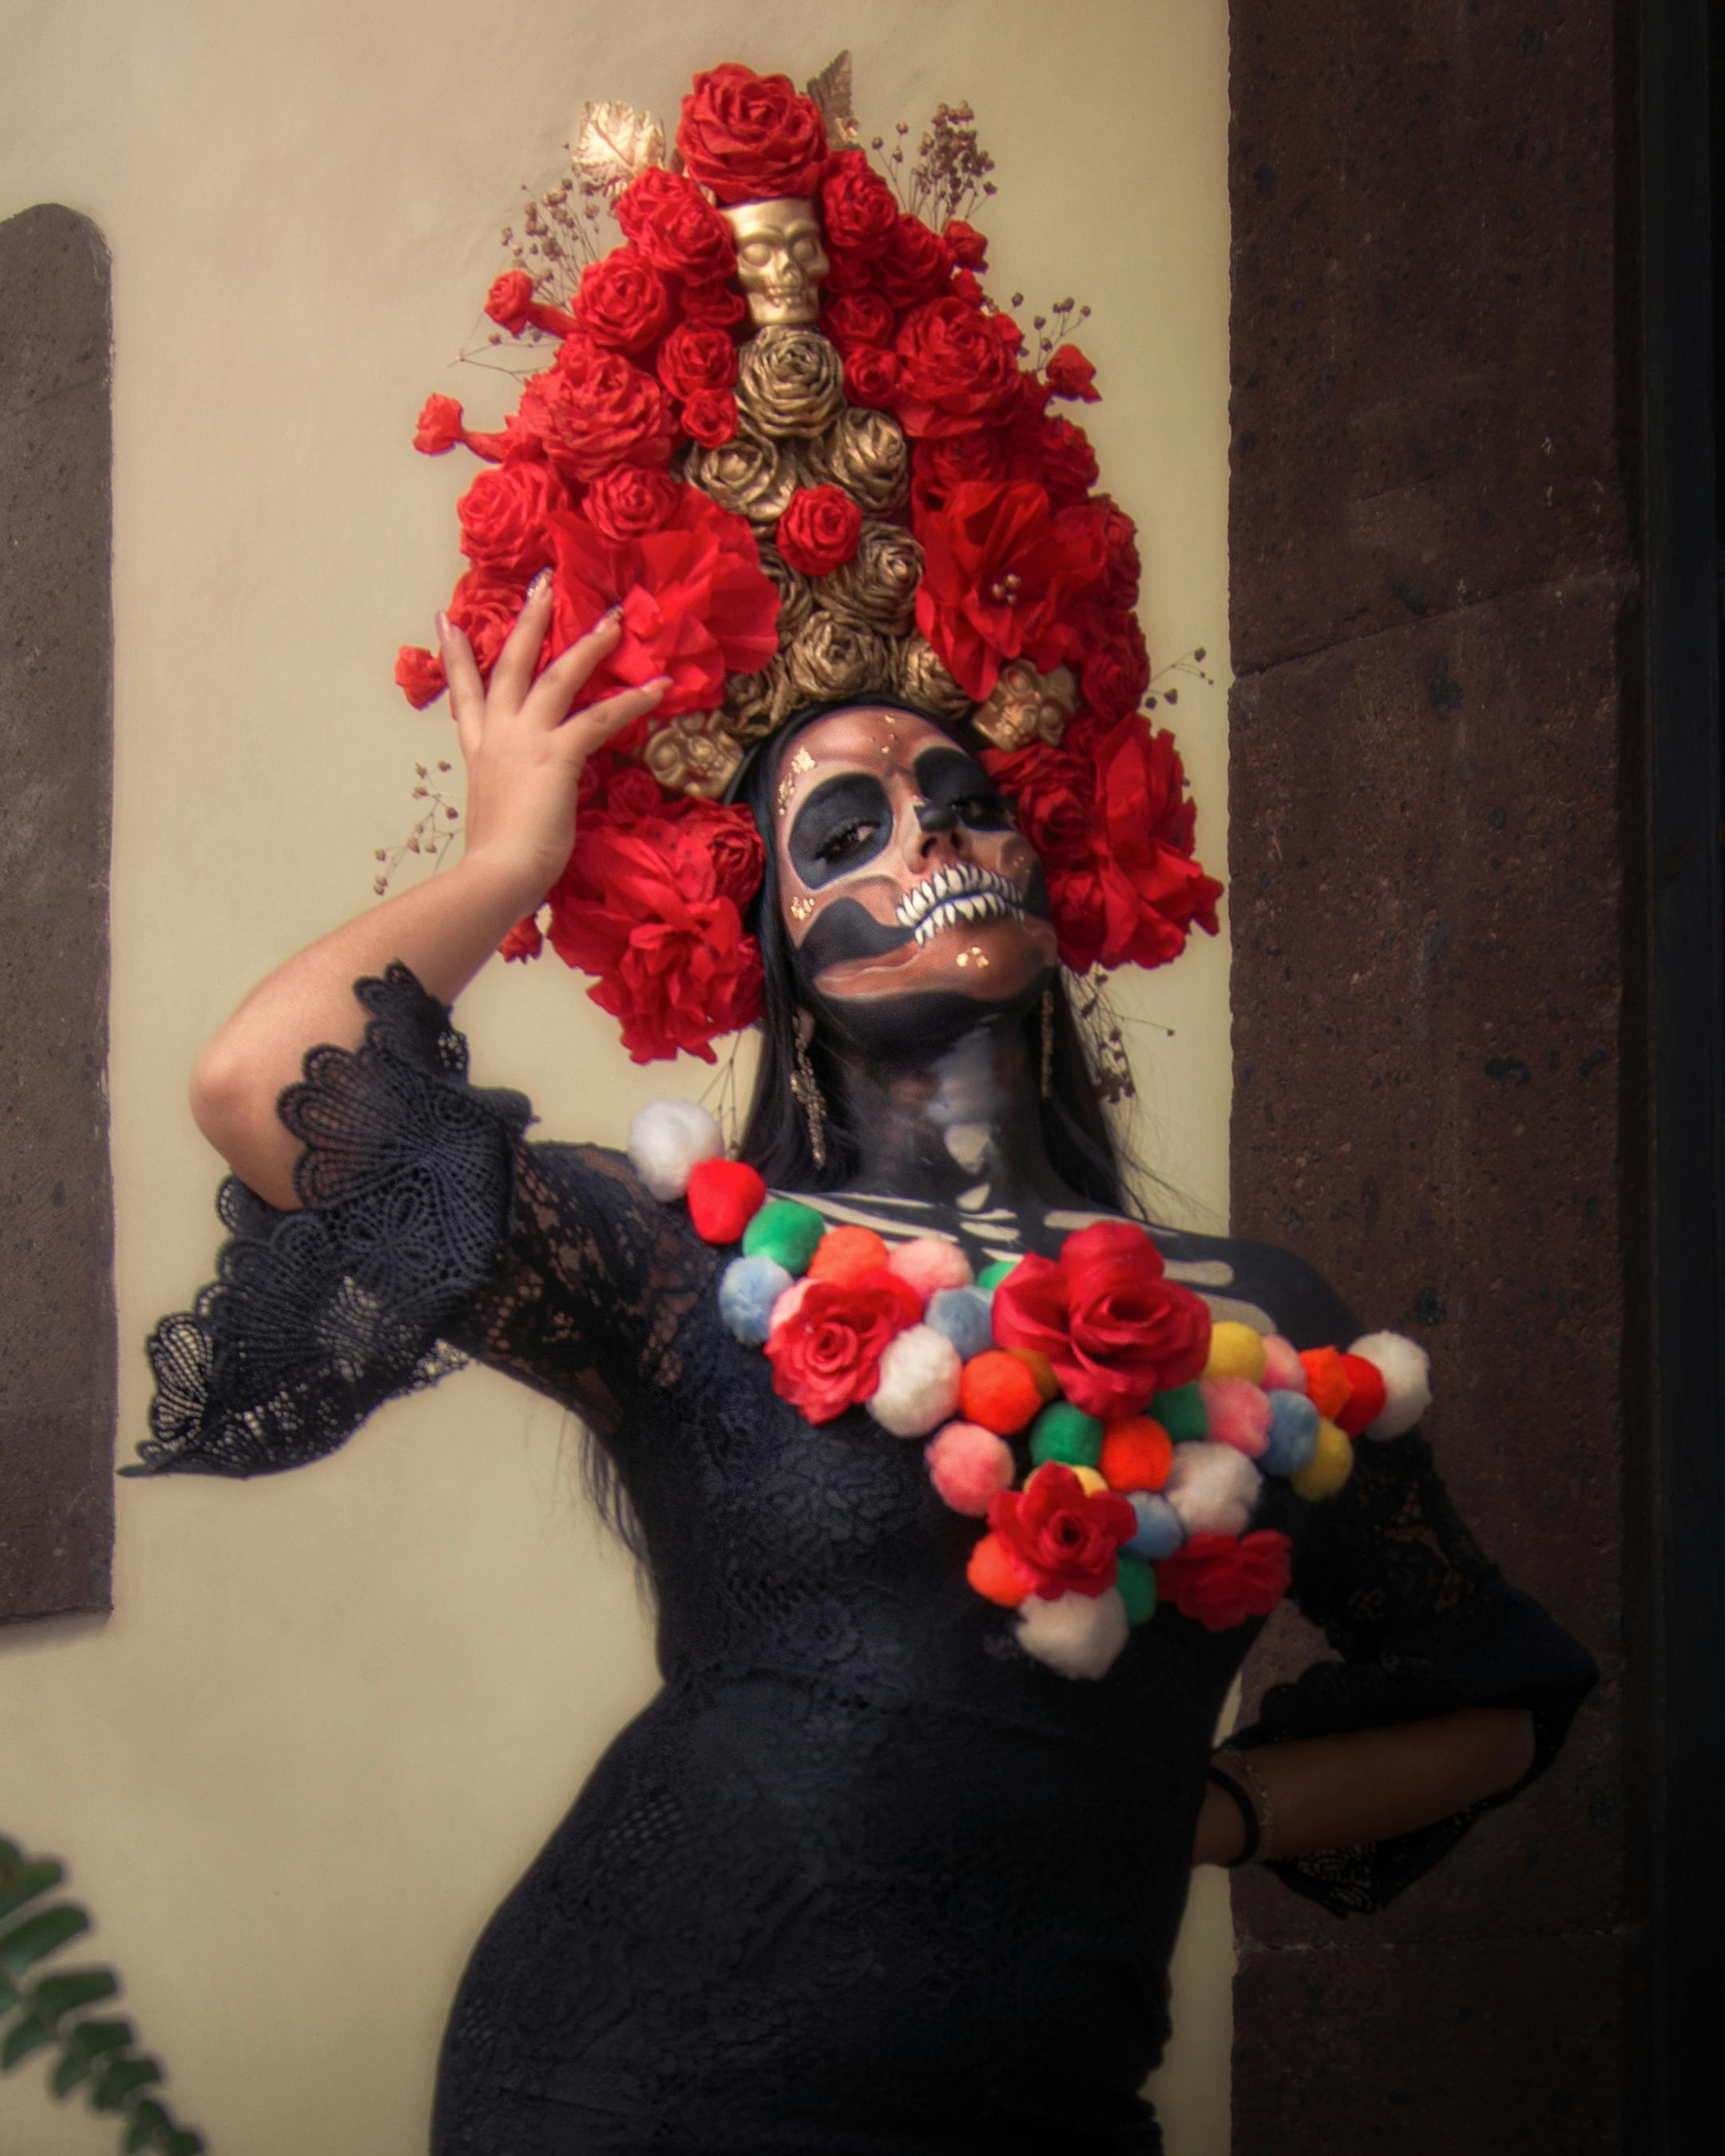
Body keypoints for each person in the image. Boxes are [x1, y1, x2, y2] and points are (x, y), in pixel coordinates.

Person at [127, 59, 1599, 2153]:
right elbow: (261, 1086)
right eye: (846, 826)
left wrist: (1209, 1806)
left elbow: (1494, 1697)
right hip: (627, 2075)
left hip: (1035, 2097)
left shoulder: (1253, 1316)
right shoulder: (687, 1261)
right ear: (779, 953)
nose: (930, 835)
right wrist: (508, 855)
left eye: (965, 790)